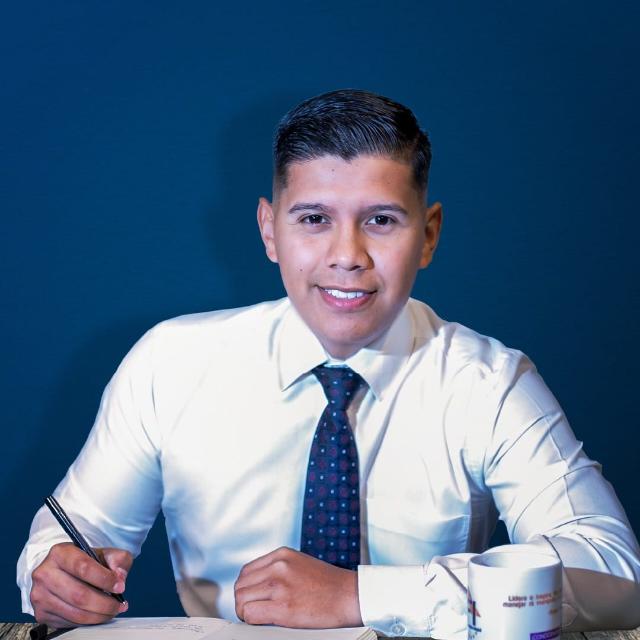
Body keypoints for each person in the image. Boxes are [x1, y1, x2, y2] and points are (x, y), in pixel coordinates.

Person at [17, 89, 640, 638]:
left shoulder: (488, 383)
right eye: (314, 219)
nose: (347, 255)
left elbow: (615, 571)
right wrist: (54, 573)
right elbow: (72, 534)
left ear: (428, 235)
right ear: (270, 231)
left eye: (381, 221)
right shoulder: (169, 363)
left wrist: (360, 596)